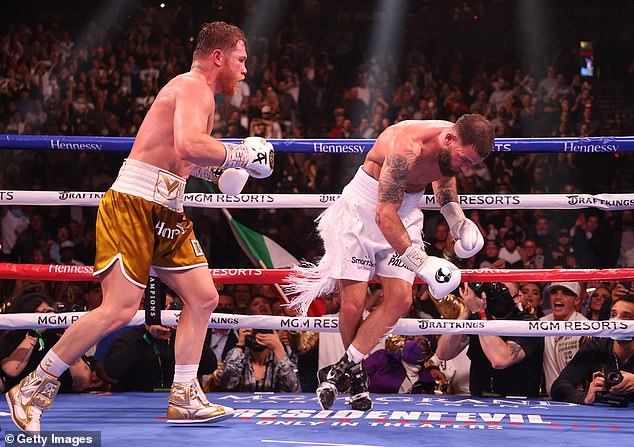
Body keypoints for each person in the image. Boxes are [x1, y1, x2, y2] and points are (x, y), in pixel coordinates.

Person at [6, 21, 274, 434]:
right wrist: (238, 152)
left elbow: (184, 157)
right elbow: (188, 144)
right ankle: (33, 386)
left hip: (167, 207)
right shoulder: (192, 86)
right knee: (120, 307)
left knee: (203, 297)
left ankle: (184, 394)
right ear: (218, 57)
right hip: (134, 203)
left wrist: (231, 164)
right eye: (241, 60)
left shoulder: (202, 97)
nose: (244, 70)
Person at [287, 114, 494, 410]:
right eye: (464, 159)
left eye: (471, 164)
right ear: (449, 139)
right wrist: (422, 263)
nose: (465, 168)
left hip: (405, 213)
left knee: (400, 299)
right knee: (352, 304)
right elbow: (384, 214)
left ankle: (338, 370)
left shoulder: (453, 147)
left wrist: (456, 220)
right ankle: (356, 378)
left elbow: (444, 181)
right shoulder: (406, 145)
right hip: (365, 209)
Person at [436, 282, 544, 397]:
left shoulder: (528, 323)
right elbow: (443, 353)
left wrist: (480, 314)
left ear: (518, 297)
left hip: (520, 405)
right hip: (480, 404)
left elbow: (500, 360)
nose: (495, 295)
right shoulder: (476, 318)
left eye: (501, 289)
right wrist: (466, 311)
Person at [551, 295, 634, 405]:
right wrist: (585, 397)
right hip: (602, 415)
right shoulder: (595, 349)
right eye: (613, 315)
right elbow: (559, 386)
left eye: (626, 316)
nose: (616, 321)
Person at [540, 282, 587, 396]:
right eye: (554, 292)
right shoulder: (540, 324)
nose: (558, 297)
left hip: (577, 399)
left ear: (577, 300)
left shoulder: (585, 327)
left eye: (566, 293)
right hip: (549, 399)